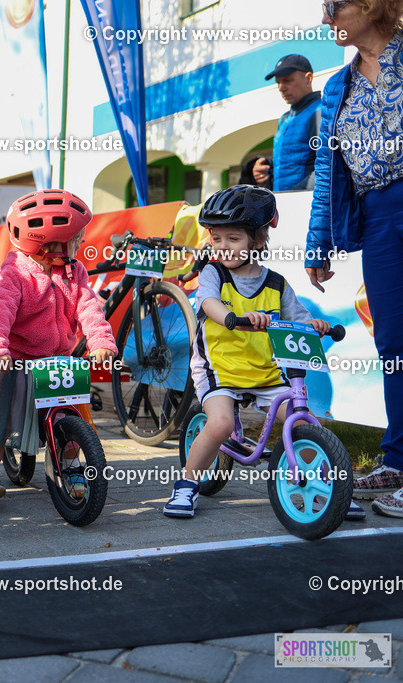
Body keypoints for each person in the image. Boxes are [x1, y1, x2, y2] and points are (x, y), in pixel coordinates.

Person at [165, 185, 365, 520]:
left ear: (257, 241)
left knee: (304, 419)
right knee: (220, 424)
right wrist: (231, 317)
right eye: (217, 239)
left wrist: (315, 324)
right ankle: (186, 484)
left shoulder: (275, 283)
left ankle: (332, 491)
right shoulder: (214, 273)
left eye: (234, 239)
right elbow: (208, 302)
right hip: (220, 367)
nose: (223, 247)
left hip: (264, 370)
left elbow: (297, 316)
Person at [307, 0, 403, 518]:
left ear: (370, 4)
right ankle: (398, 459)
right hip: (378, 217)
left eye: (333, 6)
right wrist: (318, 241)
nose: (327, 19)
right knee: (393, 342)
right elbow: (328, 171)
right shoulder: (336, 88)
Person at [0, 190, 117, 504]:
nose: (80, 245)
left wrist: (100, 341)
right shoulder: (16, 274)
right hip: (15, 363)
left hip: (57, 361)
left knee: (70, 416)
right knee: (0, 419)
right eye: (75, 240)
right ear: (51, 243)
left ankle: (73, 469)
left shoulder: (74, 271)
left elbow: (88, 308)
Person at [259, 54, 322, 191]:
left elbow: (326, 167)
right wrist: (264, 169)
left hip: (306, 205)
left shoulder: (320, 112)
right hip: (283, 204)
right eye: (278, 83)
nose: (281, 87)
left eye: (287, 80)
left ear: (308, 78)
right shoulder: (284, 119)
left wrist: (292, 197)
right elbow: (290, 161)